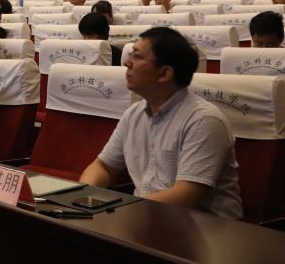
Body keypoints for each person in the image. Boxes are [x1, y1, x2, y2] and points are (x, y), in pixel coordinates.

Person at [79, 27, 243, 219]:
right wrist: (84, 197)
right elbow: (103, 167)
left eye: (137, 57)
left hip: (203, 226)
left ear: (164, 73)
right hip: (145, 217)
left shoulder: (204, 120)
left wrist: (121, 212)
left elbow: (186, 195)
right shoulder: (134, 113)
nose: (126, 62)